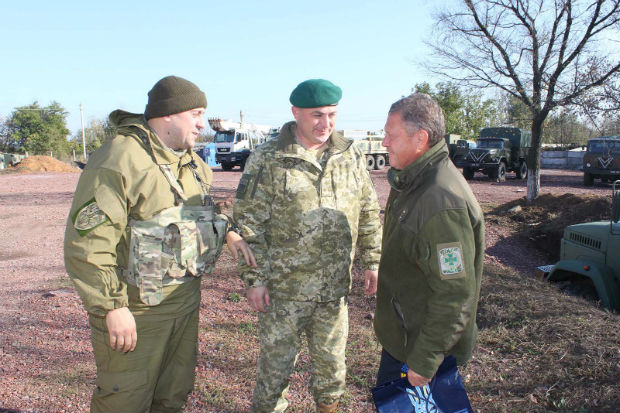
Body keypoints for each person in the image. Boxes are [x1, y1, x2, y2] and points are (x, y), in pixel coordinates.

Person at [64, 75, 255, 413]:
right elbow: (89, 243)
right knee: (124, 401)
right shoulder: (119, 157)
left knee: (172, 396)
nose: (201, 124)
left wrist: (228, 230)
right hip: (137, 312)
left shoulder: (192, 162)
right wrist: (112, 307)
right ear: (169, 114)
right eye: (195, 114)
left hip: (183, 304)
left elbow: (196, 211)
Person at [233, 79, 382, 413]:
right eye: (317, 115)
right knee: (273, 378)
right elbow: (248, 225)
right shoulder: (269, 158)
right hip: (283, 293)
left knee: (332, 378)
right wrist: (254, 280)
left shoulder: (350, 155)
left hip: (333, 294)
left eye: (332, 114)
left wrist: (372, 262)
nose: (325, 123)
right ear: (295, 113)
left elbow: (369, 211)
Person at [373, 93, 485, 388]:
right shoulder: (412, 180)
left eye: (390, 135)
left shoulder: (440, 201)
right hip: (407, 337)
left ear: (420, 139)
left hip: (424, 352)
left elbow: (455, 293)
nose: (384, 143)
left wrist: (425, 362)